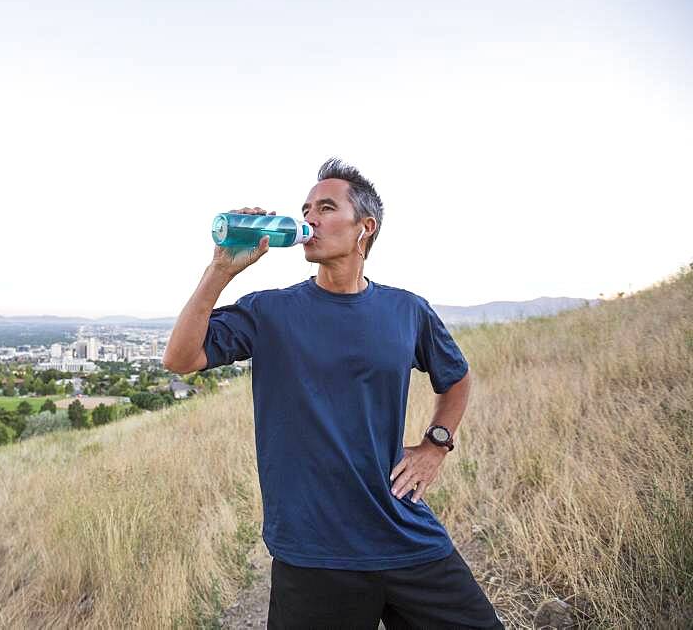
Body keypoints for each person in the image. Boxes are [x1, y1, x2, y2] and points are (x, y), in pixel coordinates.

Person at [162, 158, 504, 629]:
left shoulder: (407, 311)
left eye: (325, 207)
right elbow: (180, 359)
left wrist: (436, 444)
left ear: (365, 227)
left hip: (404, 533)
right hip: (313, 551)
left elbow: (457, 378)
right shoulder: (271, 311)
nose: (309, 219)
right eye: (306, 209)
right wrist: (220, 270)